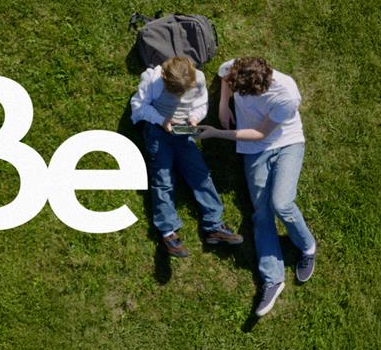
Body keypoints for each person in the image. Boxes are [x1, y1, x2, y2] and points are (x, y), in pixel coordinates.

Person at [196, 57, 316, 317]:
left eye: (241, 93)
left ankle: (307, 247)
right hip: (255, 152)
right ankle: (272, 279)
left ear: (259, 89)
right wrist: (223, 106)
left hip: (286, 144)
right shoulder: (239, 68)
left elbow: (260, 134)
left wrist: (216, 133)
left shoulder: (286, 96)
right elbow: (225, 76)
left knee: (281, 204)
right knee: (261, 214)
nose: (236, 93)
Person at [130, 56, 243, 257]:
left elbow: (201, 104)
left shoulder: (198, 78)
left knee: (200, 175)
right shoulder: (152, 80)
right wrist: (161, 120)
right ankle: (167, 232)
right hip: (158, 132)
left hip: (183, 132)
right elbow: (138, 107)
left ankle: (214, 225)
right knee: (163, 181)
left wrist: (194, 119)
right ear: (164, 77)